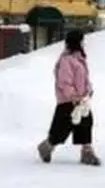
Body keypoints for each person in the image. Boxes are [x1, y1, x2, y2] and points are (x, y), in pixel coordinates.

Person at [37, 30, 101, 166]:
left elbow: (85, 78)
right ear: (76, 42)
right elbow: (64, 82)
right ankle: (47, 147)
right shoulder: (66, 60)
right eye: (82, 41)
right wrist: (73, 96)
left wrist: (89, 90)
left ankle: (87, 152)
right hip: (68, 101)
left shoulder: (79, 59)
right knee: (62, 128)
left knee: (86, 123)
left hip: (81, 101)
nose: (84, 43)